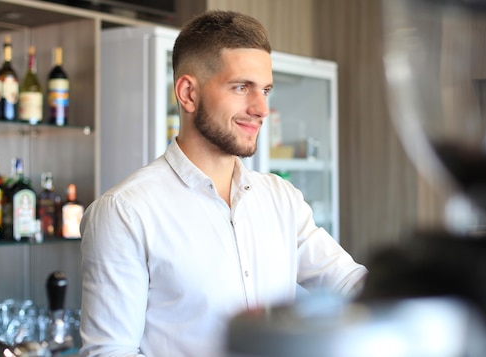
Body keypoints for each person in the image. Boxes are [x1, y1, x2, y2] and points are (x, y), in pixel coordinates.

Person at [79, 10, 368, 357]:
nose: (261, 108)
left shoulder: (281, 198)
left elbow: (347, 282)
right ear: (188, 93)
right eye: (241, 87)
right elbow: (110, 352)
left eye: (265, 90)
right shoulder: (125, 212)